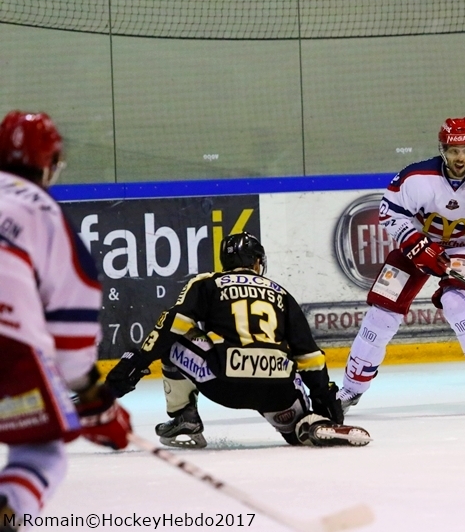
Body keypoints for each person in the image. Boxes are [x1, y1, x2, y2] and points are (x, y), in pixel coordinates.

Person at [104, 232, 370, 448]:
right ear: (256, 262)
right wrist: (325, 399)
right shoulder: (281, 293)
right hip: (276, 389)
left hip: (224, 385)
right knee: (298, 422)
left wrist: (136, 363)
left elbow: (172, 326)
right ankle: (309, 424)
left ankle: (184, 417)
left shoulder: (208, 283)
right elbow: (309, 356)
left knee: (175, 340)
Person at [0, 111, 131, 531]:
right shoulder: (42, 209)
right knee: (40, 453)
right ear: (49, 164)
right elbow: (71, 340)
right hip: (8, 344)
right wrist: (98, 406)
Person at [336, 117, 465, 412]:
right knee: (382, 311)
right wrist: (414, 242)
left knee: (457, 303)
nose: (461, 158)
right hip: (416, 247)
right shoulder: (416, 177)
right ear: (442, 149)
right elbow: (389, 213)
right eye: (453, 151)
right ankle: (351, 388)